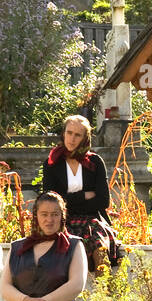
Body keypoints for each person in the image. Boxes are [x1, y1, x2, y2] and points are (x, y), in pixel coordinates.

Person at [40, 115, 124, 276]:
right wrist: (84, 195)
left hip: (92, 219)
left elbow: (103, 201)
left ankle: (105, 291)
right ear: (63, 133)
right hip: (62, 219)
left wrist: (66, 199)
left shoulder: (95, 162)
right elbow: (50, 201)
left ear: (85, 138)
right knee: (72, 242)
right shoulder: (52, 163)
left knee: (98, 241)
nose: (72, 139)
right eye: (69, 133)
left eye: (77, 135)